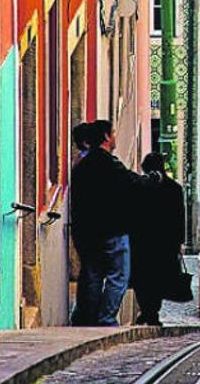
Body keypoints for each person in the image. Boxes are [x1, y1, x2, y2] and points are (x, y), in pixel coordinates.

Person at [70, 120, 165, 326]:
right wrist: (154, 179)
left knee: (93, 275)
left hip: (87, 231)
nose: (114, 137)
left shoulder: (81, 166)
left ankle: (88, 319)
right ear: (105, 137)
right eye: (112, 133)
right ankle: (106, 319)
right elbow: (134, 183)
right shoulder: (110, 164)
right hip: (112, 230)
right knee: (118, 276)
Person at [129, 152, 185, 327]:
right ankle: (151, 311)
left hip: (141, 240)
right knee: (159, 278)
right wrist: (179, 242)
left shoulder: (138, 187)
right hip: (165, 242)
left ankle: (147, 311)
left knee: (142, 278)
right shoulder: (175, 189)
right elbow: (179, 217)